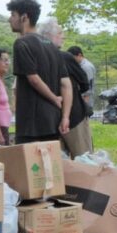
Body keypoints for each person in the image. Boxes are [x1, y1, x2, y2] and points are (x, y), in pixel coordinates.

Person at [6, 0, 72, 144]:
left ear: (24, 17)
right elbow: (66, 84)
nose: (9, 19)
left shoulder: (21, 43)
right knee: (50, 165)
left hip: (31, 124)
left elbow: (33, 79)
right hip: (53, 120)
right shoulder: (52, 46)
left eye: (13, 15)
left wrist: (54, 98)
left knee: (31, 165)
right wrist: (65, 117)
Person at [38, 20, 92, 157]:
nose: (63, 36)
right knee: (84, 158)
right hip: (74, 116)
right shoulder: (64, 57)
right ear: (49, 35)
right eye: (60, 33)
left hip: (48, 119)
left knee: (57, 162)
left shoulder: (36, 57)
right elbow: (84, 83)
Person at [67, 46, 96, 111]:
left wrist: (84, 105)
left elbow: (88, 87)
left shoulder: (86, 67)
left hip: (84, 102)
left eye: (72, 57)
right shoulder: (79, 66)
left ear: (79, 55)